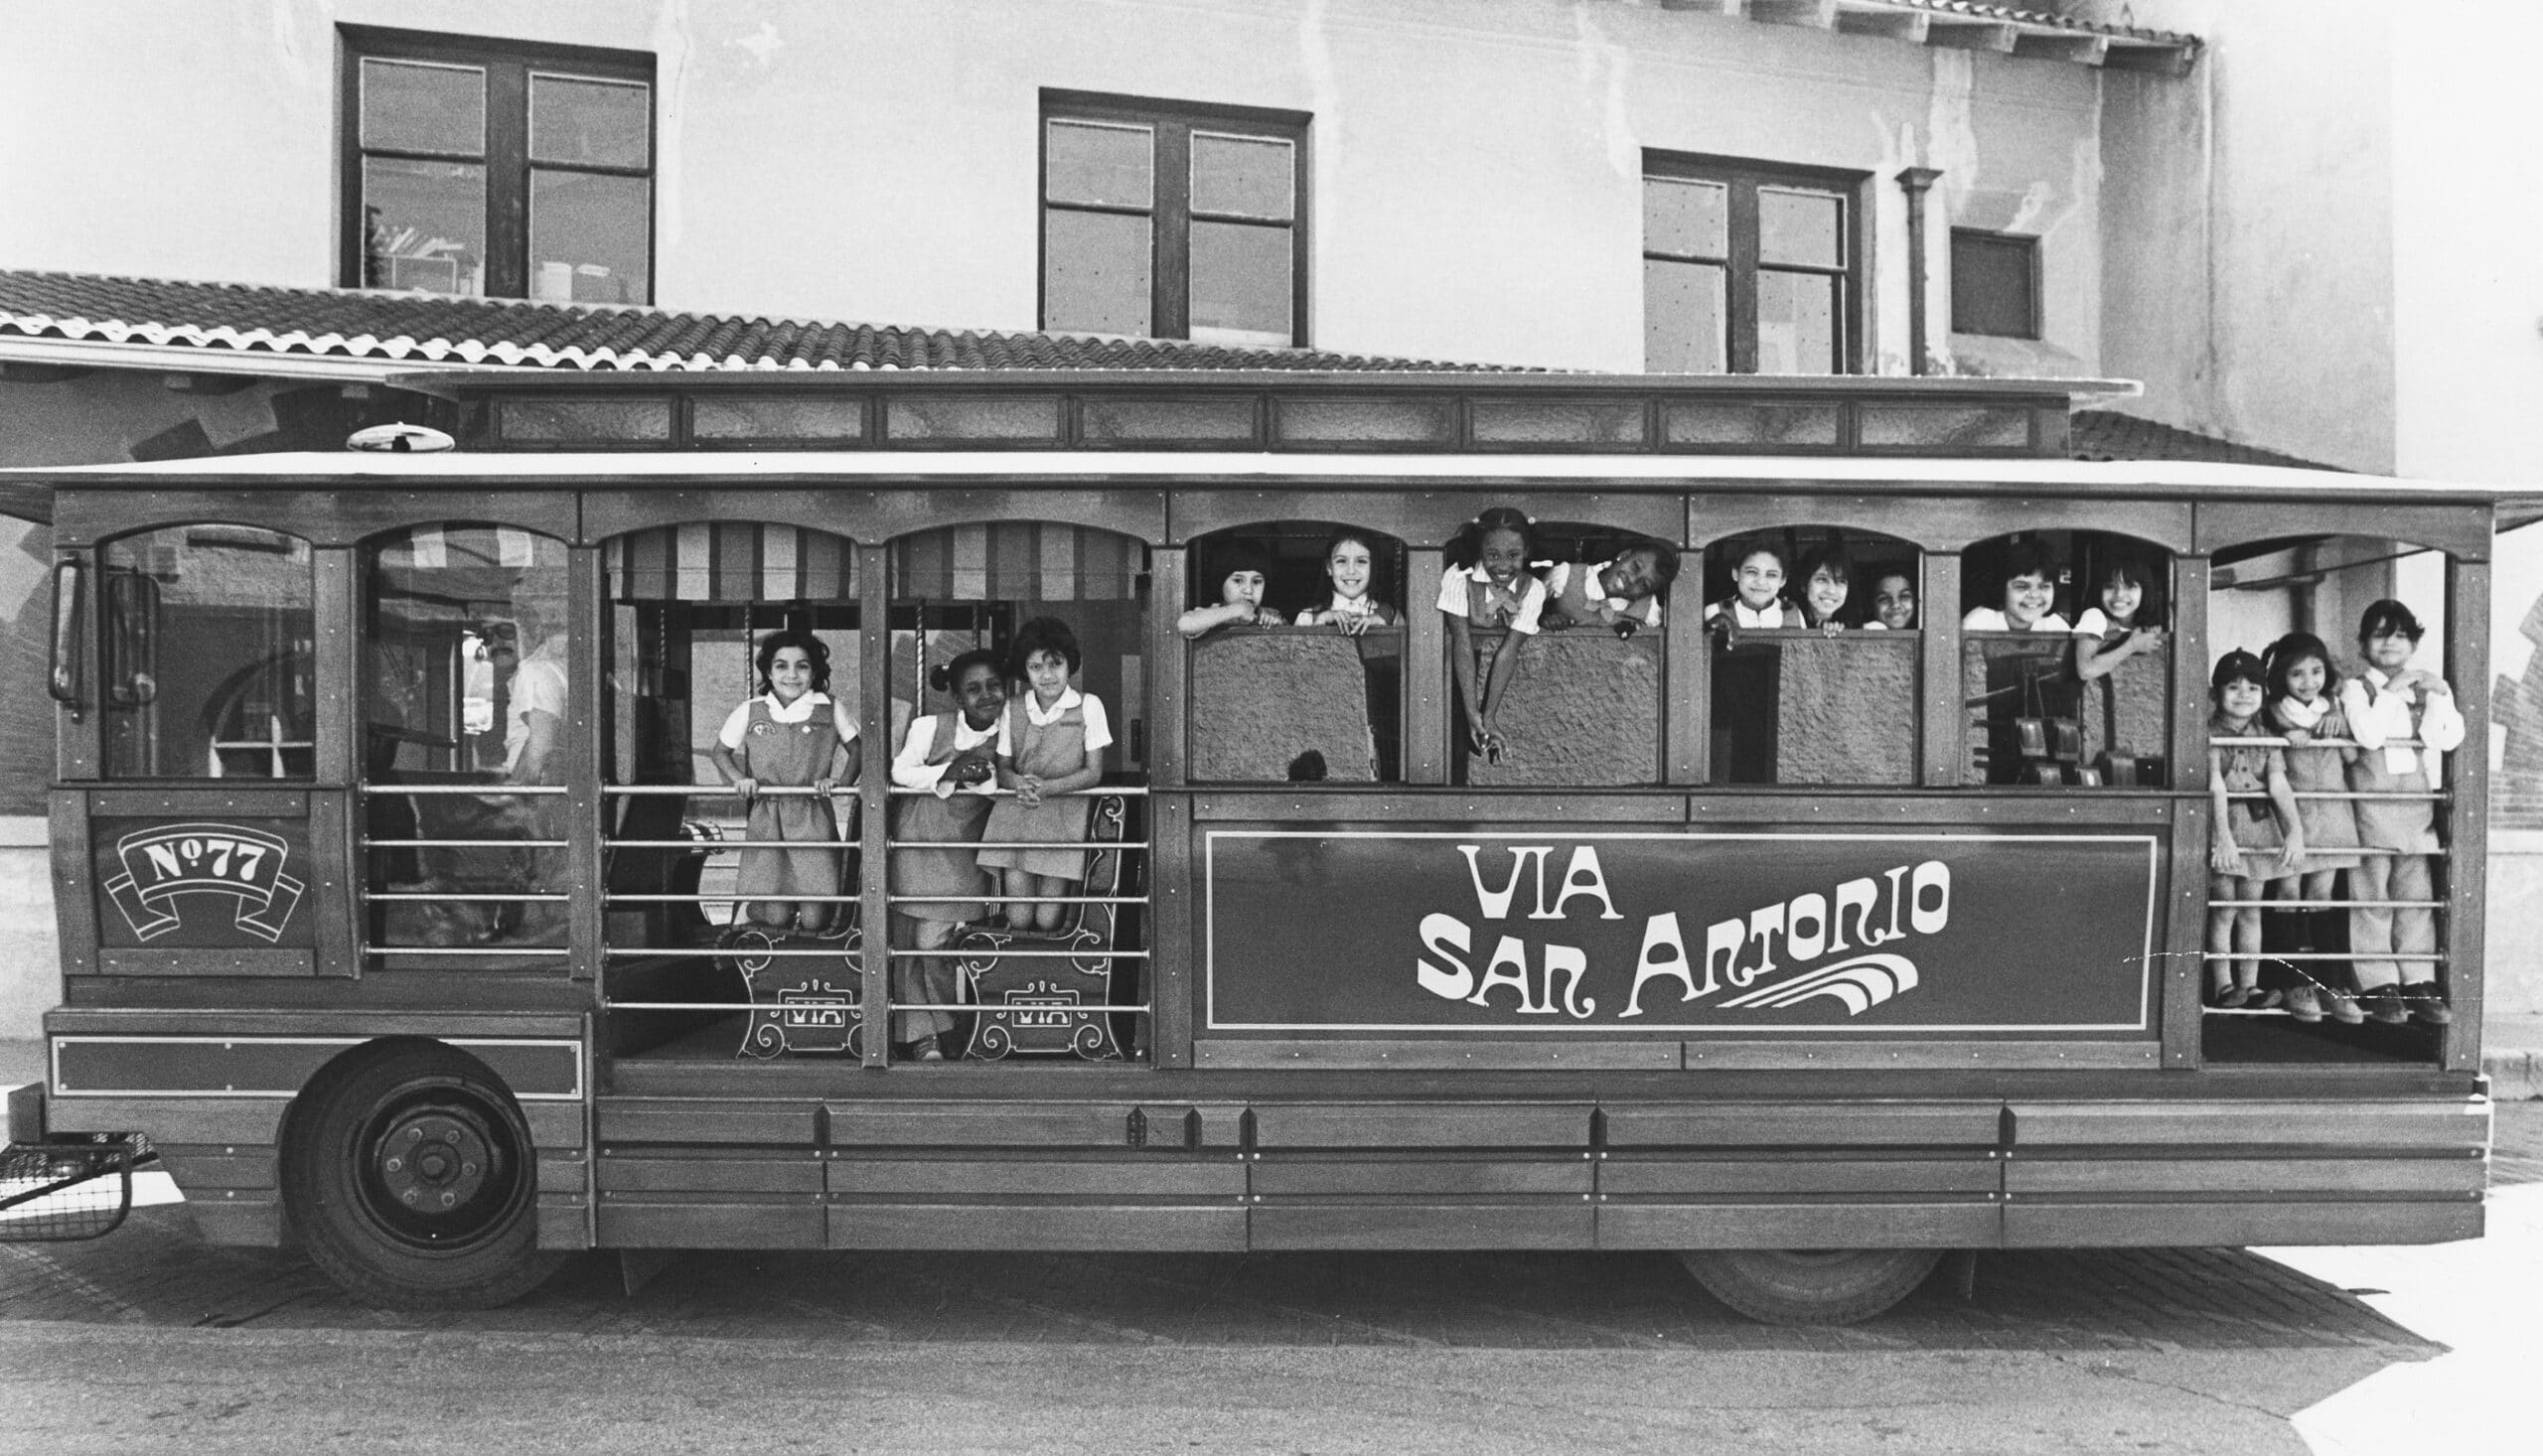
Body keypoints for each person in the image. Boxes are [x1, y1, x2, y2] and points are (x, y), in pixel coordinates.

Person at [2338, 600, 2464, 1026]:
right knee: (2372, 897)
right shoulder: (2356, 689)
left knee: (2414, 897)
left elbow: (2444, 740)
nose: (2389, 643)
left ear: (2412, 642)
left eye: (2399, 635)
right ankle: (2376, 981)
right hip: (2370, 809)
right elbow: (2369, 735)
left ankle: (2417, 978)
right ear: (2363, 643)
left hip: (2414, 810)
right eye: (2379, 634)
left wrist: (2441, 696)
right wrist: (2391, 693)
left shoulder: (2421, 688)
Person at [887, 649, 1011, 1062]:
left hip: (965, 853)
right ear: (957, 698)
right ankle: (927, 1036)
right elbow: (900, 771)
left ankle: (949, 1026)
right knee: (912, 944)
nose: (986, 695)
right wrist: (949, 772)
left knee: (935, 942)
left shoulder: (1012, 730)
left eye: (994, 685)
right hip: (917, 843)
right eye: (973, 689)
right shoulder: (928, 727)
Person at [709, 631, 856, 937]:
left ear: (814, 671)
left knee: (817, 915)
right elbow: (720, 752)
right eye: (781, 666)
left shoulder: (829, 707)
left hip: (812, 815)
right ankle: (752, 925)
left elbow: (859, 750)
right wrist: (740, 780)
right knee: (775, 913)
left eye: (802, 666)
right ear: (768, 671)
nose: (792, 675)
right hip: (769, 815)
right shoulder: (751, 709)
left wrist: (840, 782)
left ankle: (806, 947)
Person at [979, 618, 1112, 934]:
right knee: (1020, 914)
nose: (1047, 674)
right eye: (1036, 666)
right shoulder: (1012, 707)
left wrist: (1049, 788)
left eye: (1055, 664)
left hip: (1063, 819)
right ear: (1025, 670)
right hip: (1016, 817)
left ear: (1070, 665)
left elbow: (1093, 773)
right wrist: (1019, 784)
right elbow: (1004, 768)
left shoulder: (1088, 705)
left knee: (1050, 917)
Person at [2262, 632, 2364, 1024]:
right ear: (2281, 679)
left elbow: (2354, 757)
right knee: (2288, 890)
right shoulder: (2272, 713)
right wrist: (2285, 740)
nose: (2308, 681)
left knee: (2322, 894)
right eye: (2297, 674)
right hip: (2294, 814)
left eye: (2316, 671)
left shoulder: (2333, 708)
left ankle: (2332, 984)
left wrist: (2339, 730)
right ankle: (2292, 984)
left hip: (2335, 814)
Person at [2207, 650, 2305, 1010]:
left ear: (2264, 694)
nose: (2243, 694)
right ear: (2216, 693)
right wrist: (2223, 837)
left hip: (2258, 828)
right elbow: (2215, 785)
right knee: (2224, 909)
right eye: (2233, 687)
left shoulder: (2266, 736)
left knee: (2251, 909)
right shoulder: (2209, 735)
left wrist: (2294, 832)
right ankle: (2223, 985)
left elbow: (2279, 785)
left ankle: (2250, 985)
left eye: (2252, 687)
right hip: (2224, 829)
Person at [1438, 507, 1547, 764]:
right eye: (1493, 555)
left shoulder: (1534, 589)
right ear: (1480, 551)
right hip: (1451, 675)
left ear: (1527, 552)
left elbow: (1508, 652)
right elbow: (1462, 645)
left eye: (1513, 555)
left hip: (1493, 679)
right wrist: (1471, 711)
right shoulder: (1458, 578)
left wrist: (1489, 715)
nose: (1502, 565)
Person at [1542, 536, 1679, 636]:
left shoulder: (1648, 611)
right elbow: (1528, 608)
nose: (1632, 579)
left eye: (1644, 584)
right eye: (1635, 567)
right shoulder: (1565, 575)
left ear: (1645, 594)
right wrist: (1544, 620)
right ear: (1624, 555)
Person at [1291, 527, 1401, 636]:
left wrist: (1384, 629)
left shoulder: (1391, 616)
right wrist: (1320, 623)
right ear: (1329, 567)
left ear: (1373, 568)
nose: (1351, 571)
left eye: (1361, 561)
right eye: (1341, 561)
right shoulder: (1308, 618)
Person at [2072, 557, 2166, 680]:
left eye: (2130, 586)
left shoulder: (2144, 623)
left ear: (2145, 590)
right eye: (2110, 586)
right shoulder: (2094, 616)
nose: (2119, 594)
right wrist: (2132, 646)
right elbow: (2085, 670)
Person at [1178, 542, 1287, 639]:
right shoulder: (1211, 612)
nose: (1249, 590)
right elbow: (1185, 624)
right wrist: (1235, 610)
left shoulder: (1269, 614)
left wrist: (1276, 627)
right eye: (1238, 580)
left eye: (1256, 582)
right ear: (1221, 584)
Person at [1961, 542, 2072, 633]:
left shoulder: (2056, 626)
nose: (2034, 594)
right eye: (2022, 587)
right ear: (2001, 589)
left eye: (2044, 587)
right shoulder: (1979, 623)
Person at [1706, 541, 1797, 628]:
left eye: (1771, 575)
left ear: (1783, 580)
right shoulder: (1715, 611)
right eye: (1752, 572)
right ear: (1735, 573)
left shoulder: (1794, 614)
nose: (1761, 582)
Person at [1791, 542, 1852, 634]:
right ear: (1804, 584)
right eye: (1822, 579)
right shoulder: (1785, 618)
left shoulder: (1854, 626)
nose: (1831, 591)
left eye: (1841, 581)